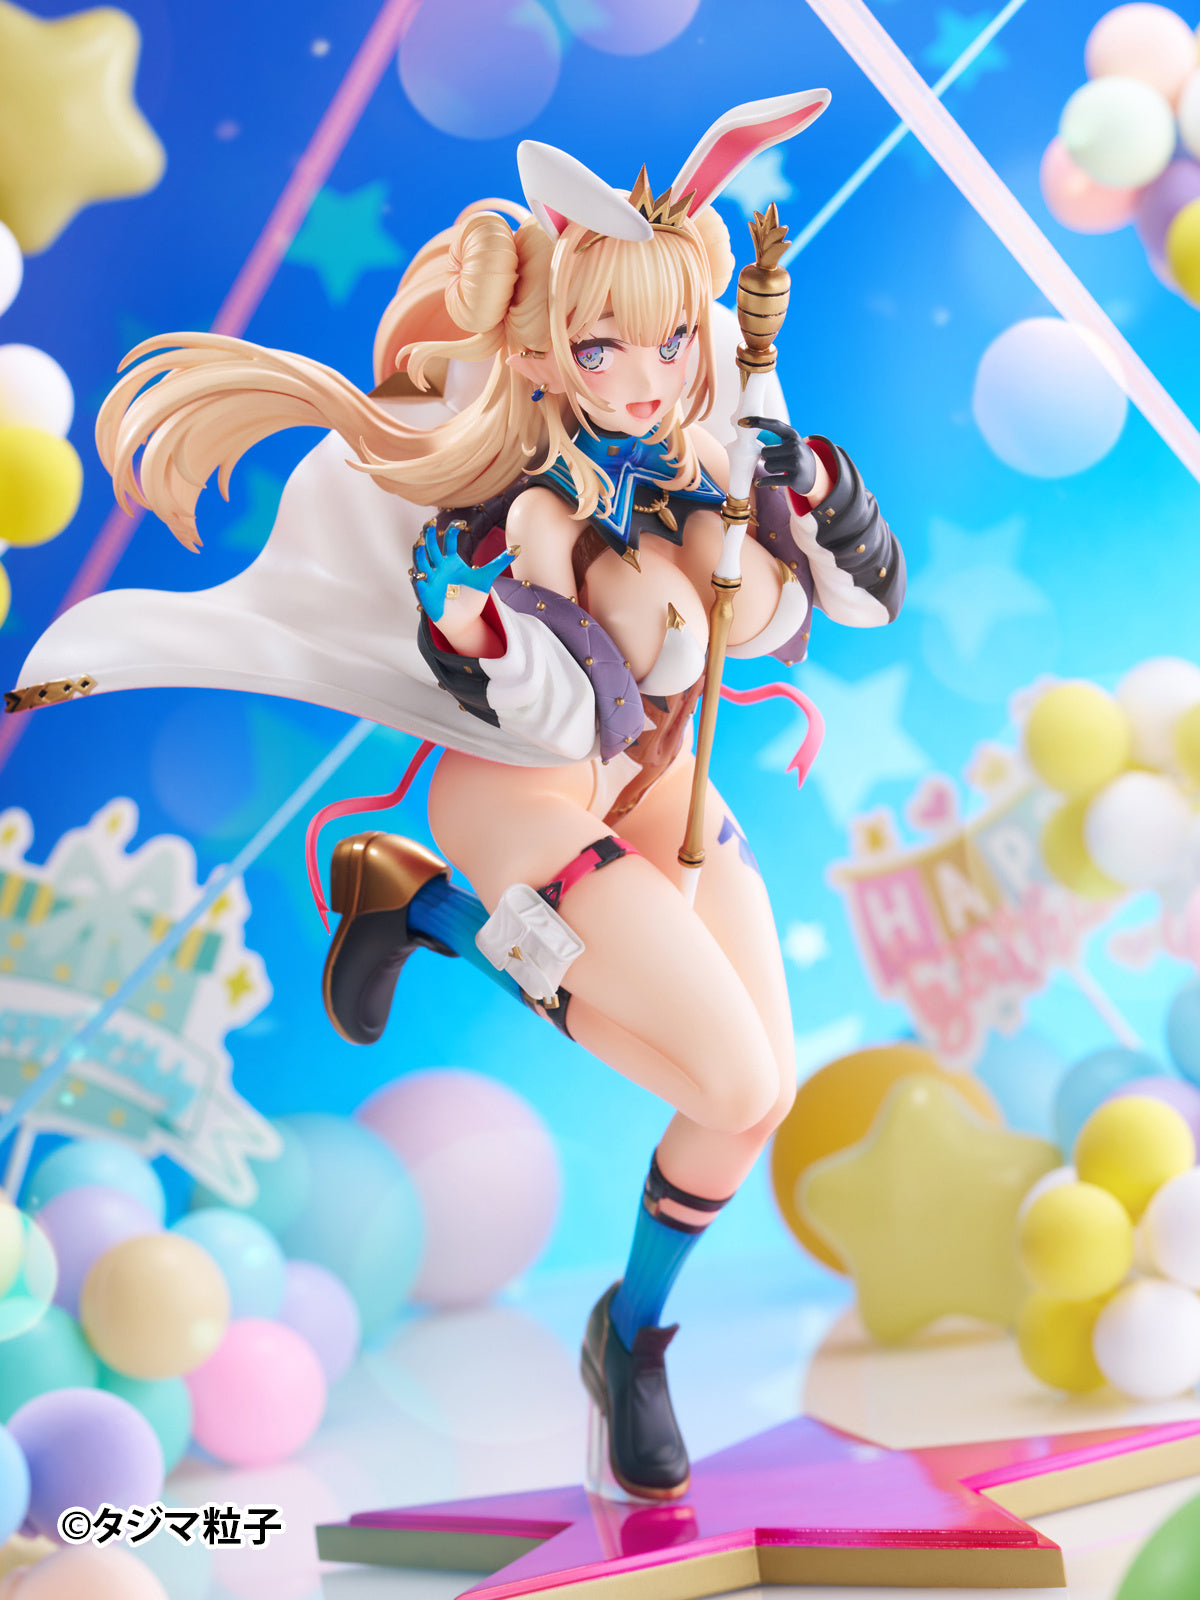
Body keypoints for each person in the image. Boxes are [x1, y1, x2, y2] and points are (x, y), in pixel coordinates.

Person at [7, 91, 904, 1502]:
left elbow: (844, 608)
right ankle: (432, 903)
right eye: (603, 347)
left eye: (672, 341)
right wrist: (482, 634)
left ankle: (631, 1334)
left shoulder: (713, 444)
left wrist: (827, 504)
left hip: (657, 786)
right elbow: (557, 707)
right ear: (547, 348)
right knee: (726, 1074)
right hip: (530, 796)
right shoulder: (526, 506)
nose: (645, 377)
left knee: (753, 1105)